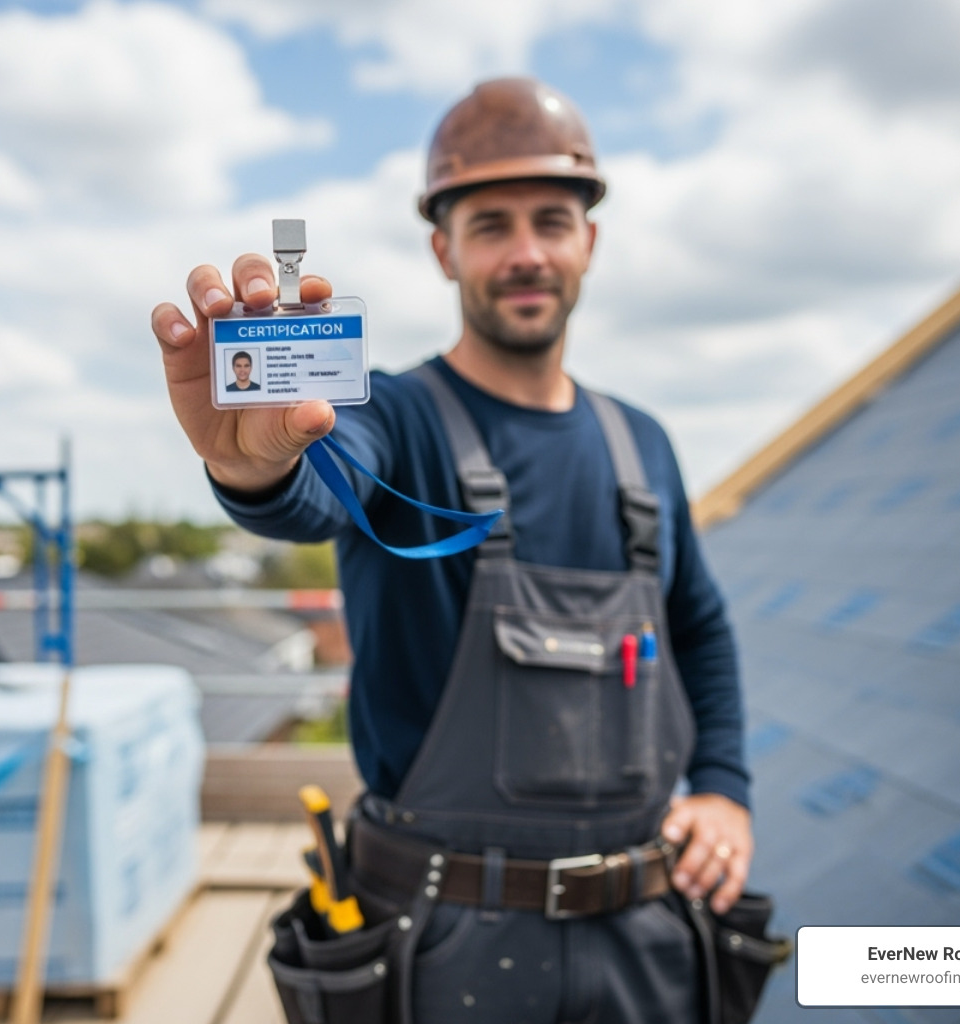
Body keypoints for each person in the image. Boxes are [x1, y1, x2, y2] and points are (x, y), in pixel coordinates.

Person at [151, 77, 750, 1023]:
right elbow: (312, 489)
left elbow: (701, 629)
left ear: (587, 240)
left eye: (551, 221)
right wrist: (256, 471)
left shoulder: (645, 446)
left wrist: (723, 789)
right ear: (444, 250)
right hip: (440, 943)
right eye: (490, 226)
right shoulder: (393, 418)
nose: (525, 253)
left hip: (645, 938)